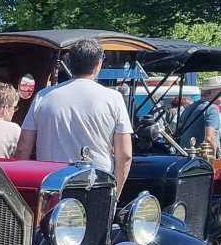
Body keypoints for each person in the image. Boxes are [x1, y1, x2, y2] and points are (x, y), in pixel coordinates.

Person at [14, 37, 134, 190]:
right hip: (96, 183)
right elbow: (125, 154)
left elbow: (23, 149)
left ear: (70, 63)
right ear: (98, 64)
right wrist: (115, 194)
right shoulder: (114, 98)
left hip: (52, 183)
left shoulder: (43, 96)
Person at [176, 76, 221, 155]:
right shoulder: (211, 108)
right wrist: (213, 158)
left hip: (183, 156)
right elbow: (209, 138)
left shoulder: (190, 107)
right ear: (213, 92)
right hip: (200, 158)